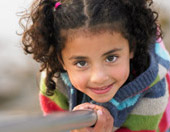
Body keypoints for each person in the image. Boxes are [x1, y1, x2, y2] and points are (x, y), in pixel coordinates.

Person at [19, 0, 170, 131]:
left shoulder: (153, 90)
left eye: (111, 58)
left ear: (131, 48)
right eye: (81, 63)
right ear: (61, 60)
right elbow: (53, 128)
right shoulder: (53, 82)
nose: (99, 77)